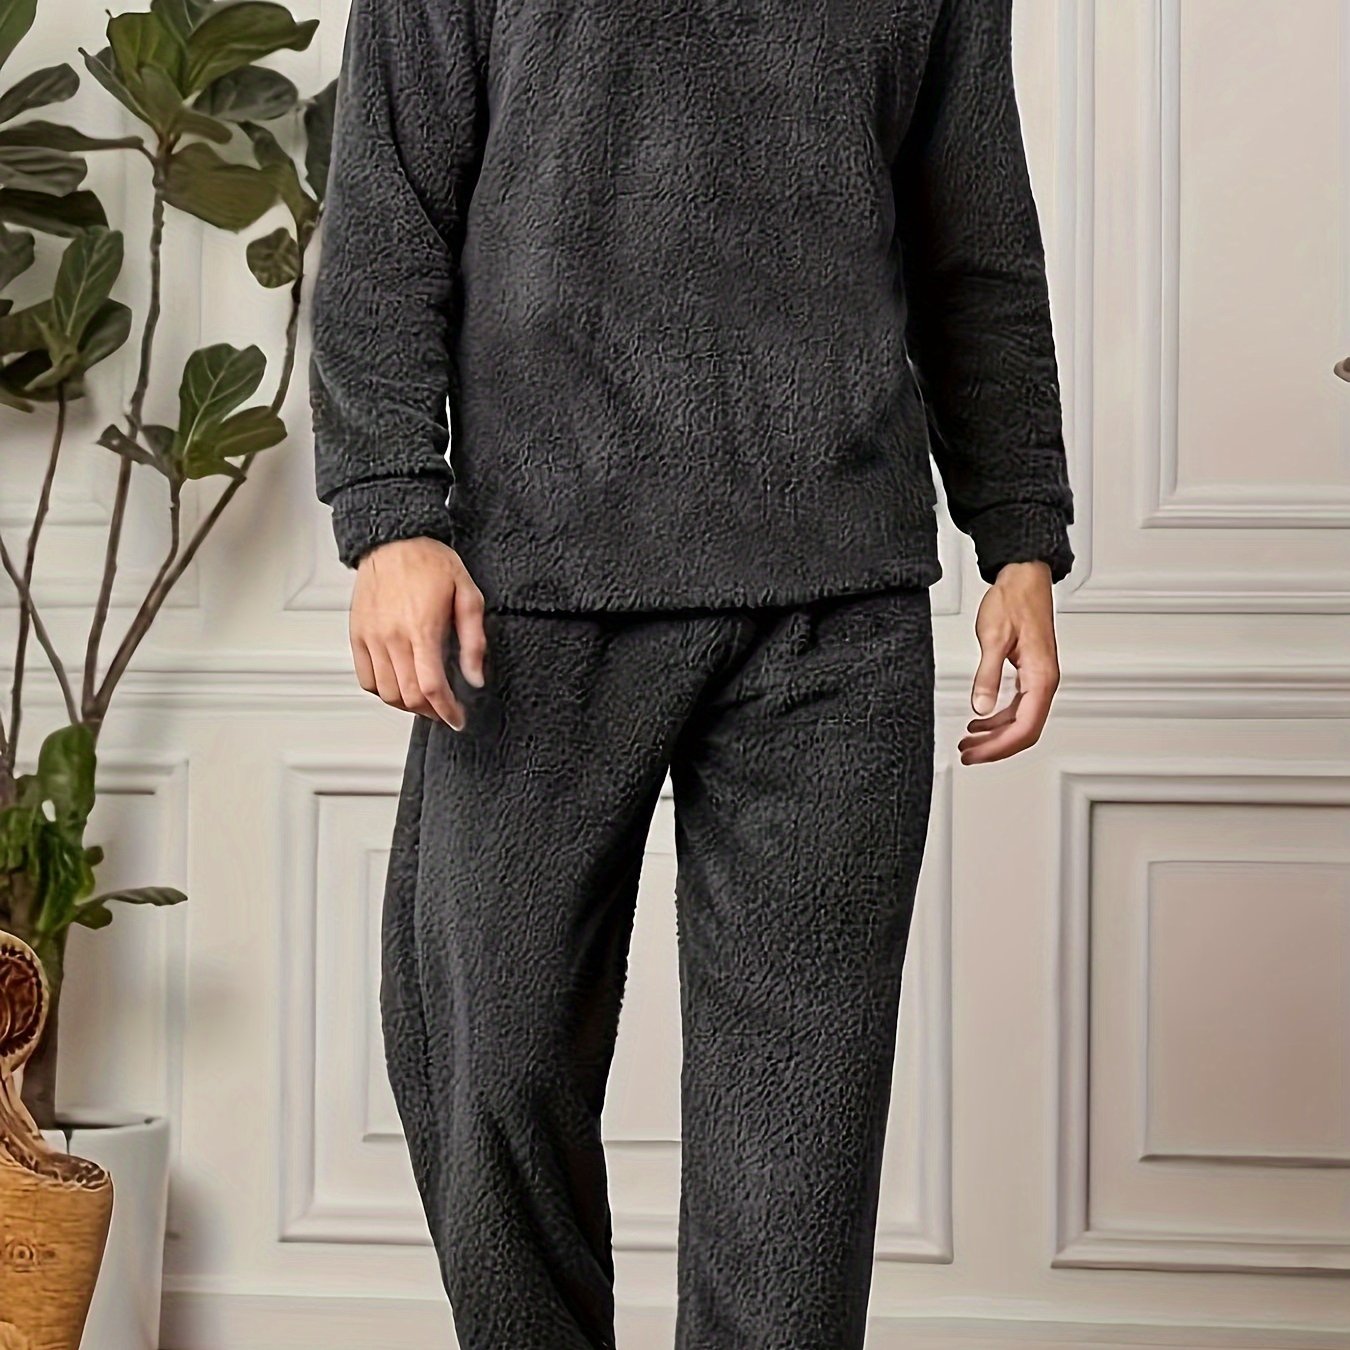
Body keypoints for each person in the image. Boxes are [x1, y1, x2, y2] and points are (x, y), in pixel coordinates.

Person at [308, 0, 1075, 1345]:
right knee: (492, 1063)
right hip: (534, 587)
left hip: (835, 598)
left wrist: (1018, 537)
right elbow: (387, 207)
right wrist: (389, 513)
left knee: (800, 1131)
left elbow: (976, 239)